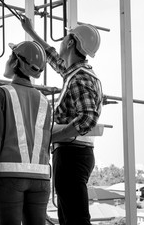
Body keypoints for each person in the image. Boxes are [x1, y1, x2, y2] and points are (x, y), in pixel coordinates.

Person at [20, 15, 103, 225]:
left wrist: (52, 135)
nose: (61, 41)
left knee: (76, 219)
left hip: (72, 154)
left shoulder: (78, 78)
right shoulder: (76, 72)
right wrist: (30, 31)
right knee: (69, 217)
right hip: (75, 154)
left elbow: (88, 118)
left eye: (66, 36)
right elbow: (52, 57)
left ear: (71, 42)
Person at [0, 40, 52, 225]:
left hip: (10, 178)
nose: (8, 60)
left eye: (11, 56)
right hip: (41, 180)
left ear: (16, 62)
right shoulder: (45, 101)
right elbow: (45, 143)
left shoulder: (2, 93)